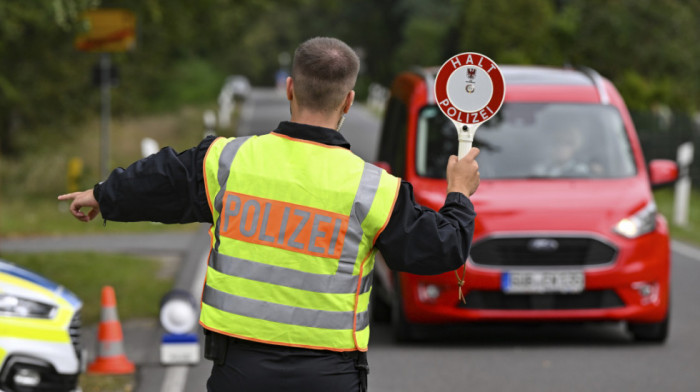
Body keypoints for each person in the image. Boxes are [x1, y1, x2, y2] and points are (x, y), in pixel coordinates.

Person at [58, 37, 480, 392]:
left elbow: (162, 177)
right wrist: (458, 192)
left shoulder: (227, 160)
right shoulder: (374, 189)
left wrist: (102, 195)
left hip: (240, 369)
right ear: (349, 101)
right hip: (329, 375)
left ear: (290, 88)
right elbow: (441, 249)